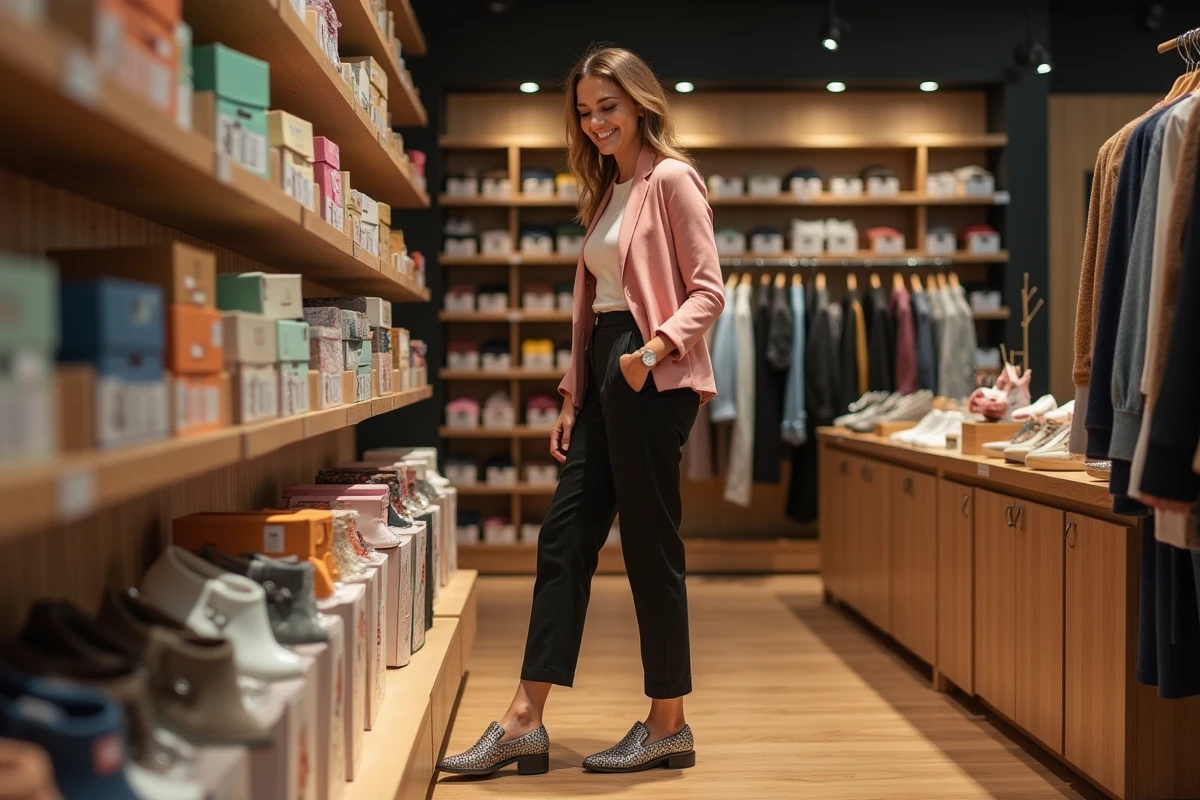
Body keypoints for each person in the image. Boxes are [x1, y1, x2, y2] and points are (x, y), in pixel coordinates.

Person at [437, 45, 724, 778]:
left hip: (648, 374)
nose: (596, 122)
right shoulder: (608, 190)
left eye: (609, 107)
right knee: (563, 540)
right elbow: (590, 306)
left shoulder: (672, 180)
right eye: (586, 110)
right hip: (605, 369)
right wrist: (575, 391)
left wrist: (651, 353)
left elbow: (709, 292)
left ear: (639, 104)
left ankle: (669, 723)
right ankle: (524, 720)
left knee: (649, 550)